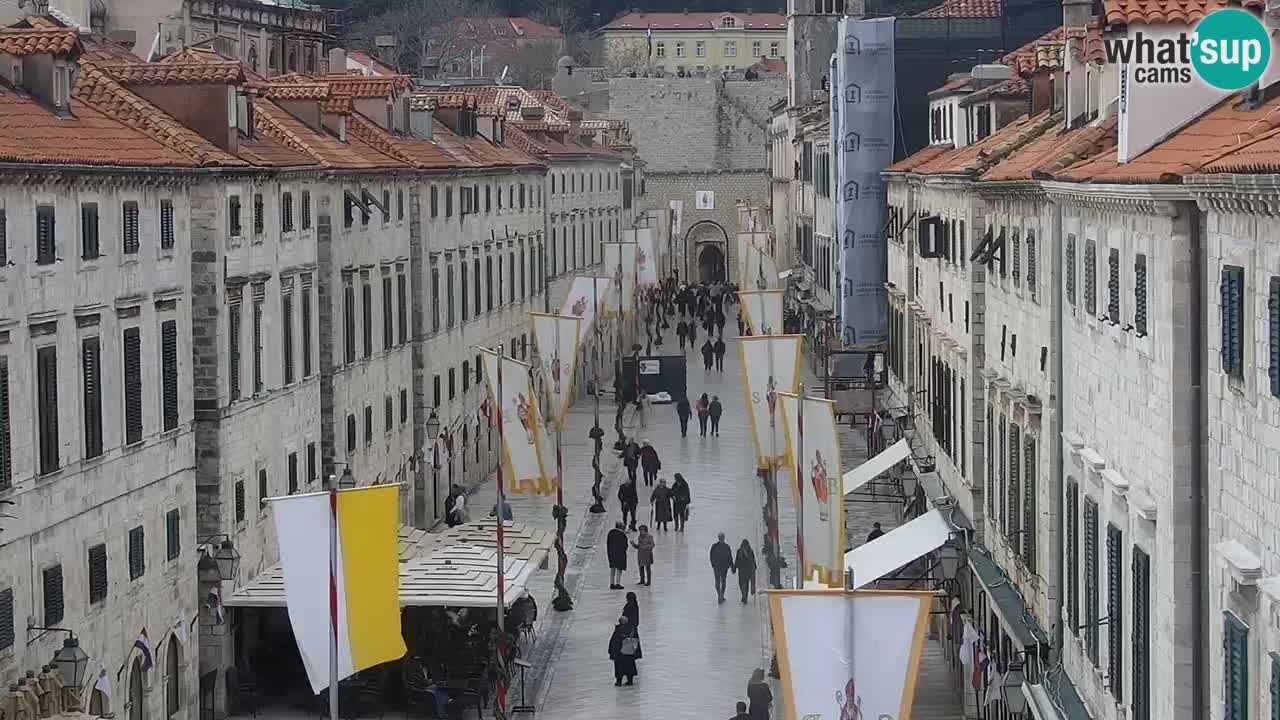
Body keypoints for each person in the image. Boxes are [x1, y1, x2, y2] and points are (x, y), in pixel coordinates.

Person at [608, 617, 642, 686]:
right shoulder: (632, 629)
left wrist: (611, 652)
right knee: (630, 666)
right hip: (630, 652)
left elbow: (614, 642)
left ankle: (619, 682)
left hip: (620, 653)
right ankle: (630, 680)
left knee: (619, 668)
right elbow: (636, 641)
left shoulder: (618, 630)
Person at [709, 532, 734, 603]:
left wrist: (713, 564)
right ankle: (721, 595)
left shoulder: (715, 546)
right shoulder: (726, 546)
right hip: (721, 567)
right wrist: (731, 565)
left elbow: (711, 555)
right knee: (722, 581)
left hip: (720, 567)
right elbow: (730, 557)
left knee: (720, 581)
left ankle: (720, 595)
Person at [606, 521, 629, 589]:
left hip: (611, 553)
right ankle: (618, 583)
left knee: (612, 569)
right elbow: (625, 545)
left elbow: (608, 543)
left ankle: (611, 583)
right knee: (619, 569)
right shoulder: (622, 535)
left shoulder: (610, 533)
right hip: (620, 554)